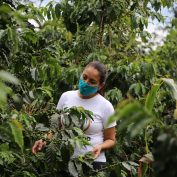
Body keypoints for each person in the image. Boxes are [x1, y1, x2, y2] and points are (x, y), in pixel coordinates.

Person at [32, 61, 116, 170]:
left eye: (92, 81)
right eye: (84, 77)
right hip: (64, 161)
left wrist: (100, 147)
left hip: (92, 163)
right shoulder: (66, 97)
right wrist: (43, 140)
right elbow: (56, 128)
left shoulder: (106, 106)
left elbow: (111, 140)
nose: (86, 83)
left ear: (100, 86)